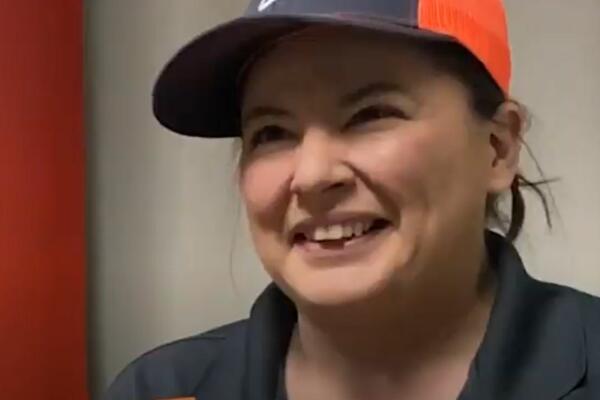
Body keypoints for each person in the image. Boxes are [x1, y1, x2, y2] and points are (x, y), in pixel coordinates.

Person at [105, 0, 600, 399]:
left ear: (497, 147)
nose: (314, 175)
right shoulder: (163, 389)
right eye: (271, 131)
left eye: (371, 114)